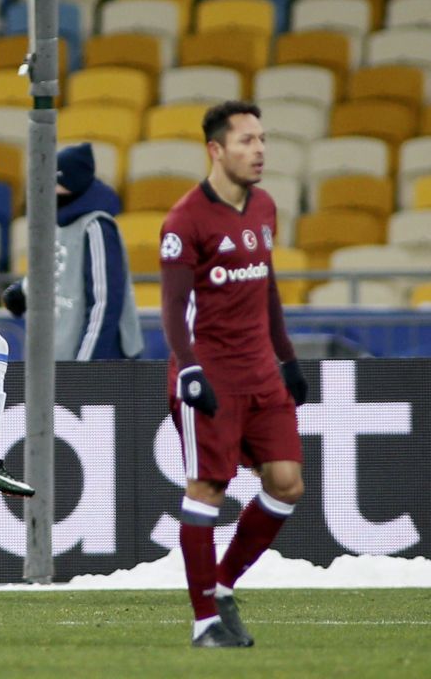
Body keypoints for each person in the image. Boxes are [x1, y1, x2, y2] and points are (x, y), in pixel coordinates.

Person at [159, 100, 309, 648]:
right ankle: (204, 625)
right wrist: (191, 369)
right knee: (207, 488)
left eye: (263, 139)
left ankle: (222, 583)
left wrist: (287, 359)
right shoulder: (185, 220)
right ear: (216, 150)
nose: (260, 149)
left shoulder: (266, 207)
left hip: (261, 372)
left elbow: (267, 288)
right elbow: (172, 309)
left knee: (287, 483)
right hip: (210, 373)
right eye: (247, 140)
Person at [1, 142, 144, 360]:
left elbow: (104, 304)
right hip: (58, 358)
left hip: (98, 363)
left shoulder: (97, 227)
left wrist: (84, 368)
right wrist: (24, 291)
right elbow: (56, 270)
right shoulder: (57, 221)